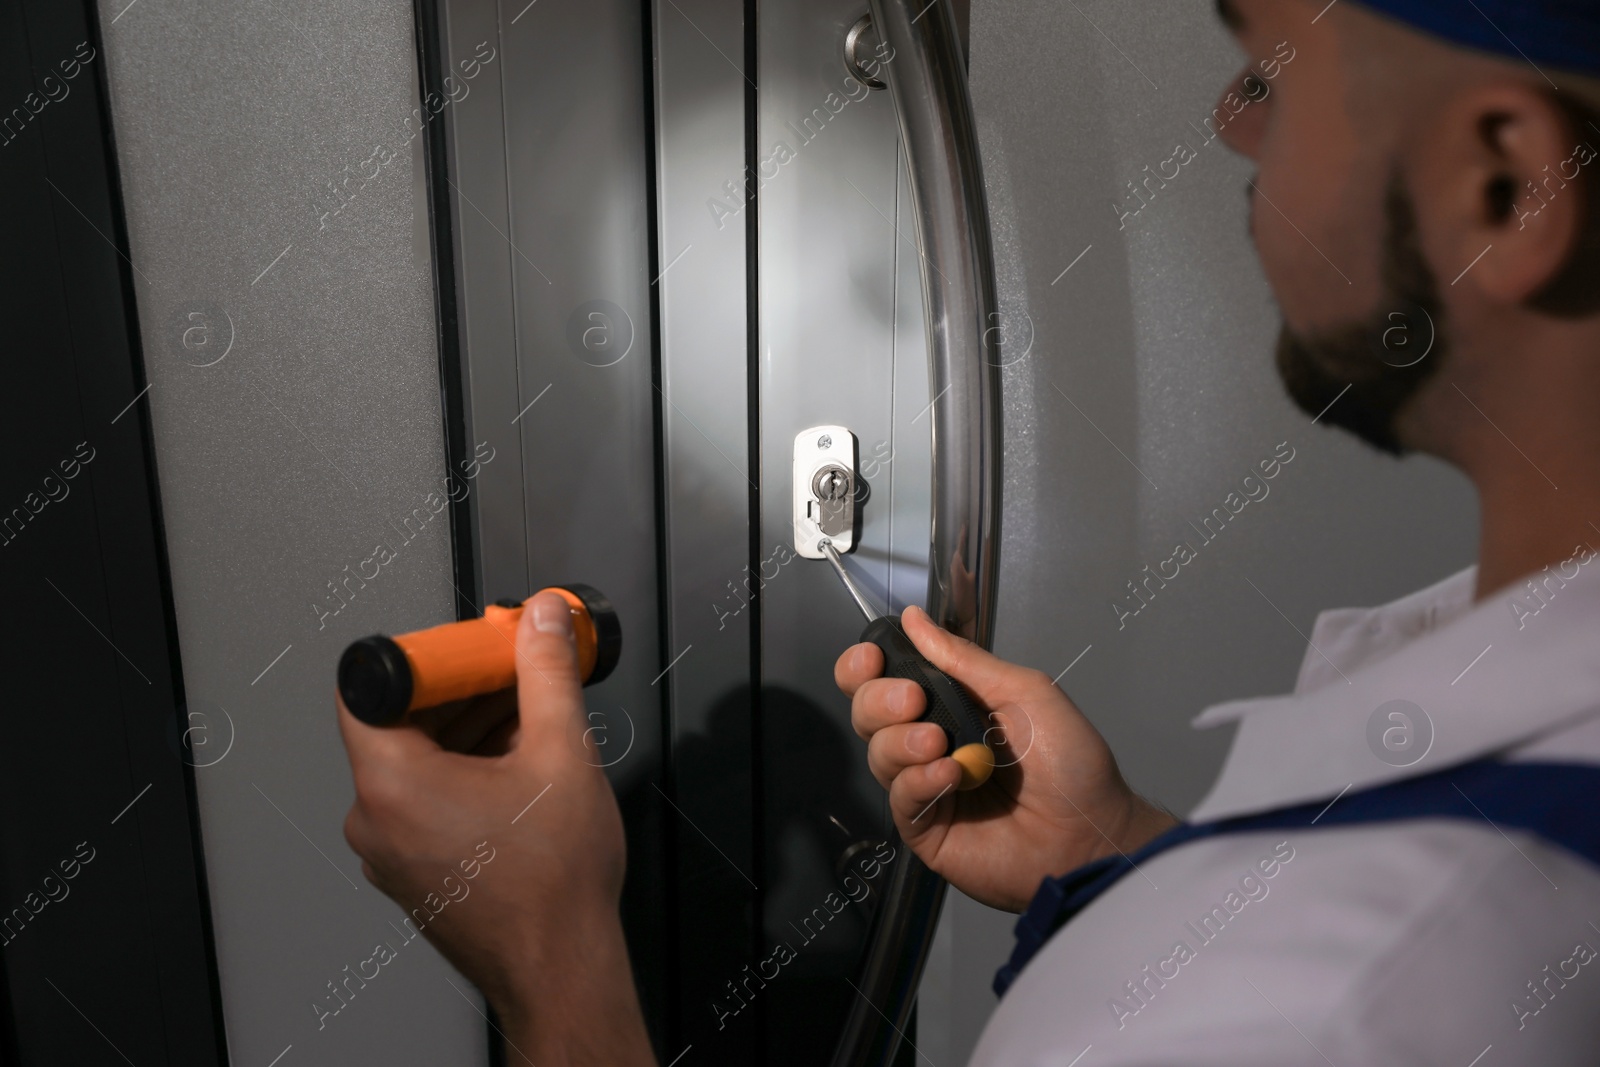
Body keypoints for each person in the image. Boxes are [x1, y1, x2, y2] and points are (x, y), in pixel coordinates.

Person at [336, 0, 1600, 1062]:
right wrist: (1120, 856)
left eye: (1269, 71)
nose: (1233, 121)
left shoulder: (1324, 997)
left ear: (1500, 176)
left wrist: (549, 959)